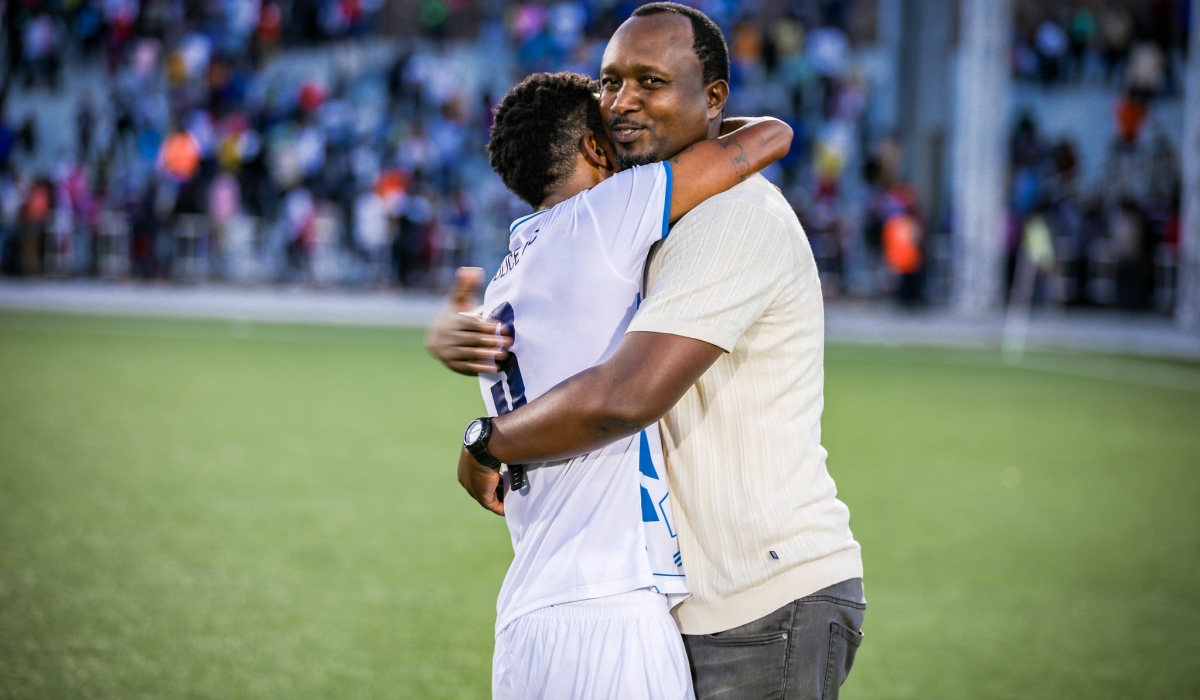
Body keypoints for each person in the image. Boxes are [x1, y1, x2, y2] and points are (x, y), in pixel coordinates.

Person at [428, 4, 865, 699]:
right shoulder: (629, 218)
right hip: (651, 597)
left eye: (650, 81)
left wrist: (488, 441)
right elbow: (769, 133)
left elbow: (623, 396)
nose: (622, 101)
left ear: (713, 97)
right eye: (609, 83)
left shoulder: (726, 214)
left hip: (760, 598)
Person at [463, 71, 790, 699]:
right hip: (605, 604)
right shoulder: (605, 213)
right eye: (613, 126)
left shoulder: (512, 270)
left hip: (530, 614)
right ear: (593, 146)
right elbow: (770, 136)